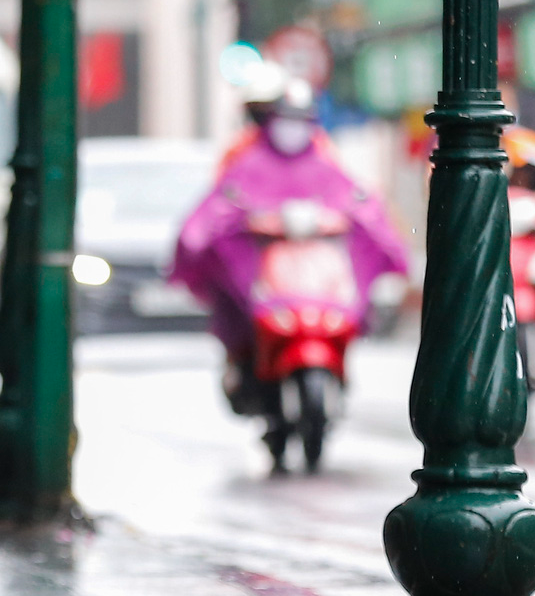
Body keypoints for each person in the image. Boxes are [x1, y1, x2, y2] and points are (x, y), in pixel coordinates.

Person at [174, 65, 410, 424]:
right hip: (260, 265)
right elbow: (220, 206)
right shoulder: (243, 156)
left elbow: (352, 198)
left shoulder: (321, 154)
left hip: (313, 264)